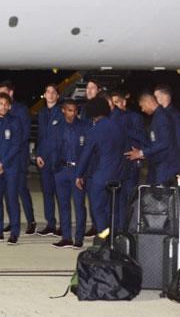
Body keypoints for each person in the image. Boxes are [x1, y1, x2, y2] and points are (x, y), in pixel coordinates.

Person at [74, 97, 125, 234]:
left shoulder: (95, 130)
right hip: (118, 173)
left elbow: (86, 154)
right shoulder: (118, 126)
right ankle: (115, 236)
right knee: (112, 209)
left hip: (102, 175)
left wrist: (78, 174)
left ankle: (104, 238)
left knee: (97, 208)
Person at [0, 81, 37, 235]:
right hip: (5, 158)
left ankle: (31, 220)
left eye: (4, 93)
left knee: (20, 190)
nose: (2, 98)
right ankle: (13, 221)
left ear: (11, 93)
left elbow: (23, 135)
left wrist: (9, 154)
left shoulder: (20, 110)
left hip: (18, 158)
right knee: (8, 192)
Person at [50, 100, 88, 249]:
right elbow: (52, 147)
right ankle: (66, 237)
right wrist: (55, 167)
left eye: (75, 110)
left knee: (79, 205)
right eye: (70, 110)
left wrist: (83, 171)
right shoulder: (57, 127)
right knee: (63, 205)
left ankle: (79, 238)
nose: (73, 113)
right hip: (61, 170)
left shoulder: (83, 126)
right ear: (63, 111)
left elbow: (87, 150)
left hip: (77, 171)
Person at [0, 93, 22, 245]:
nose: (2, 106)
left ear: (9, 106)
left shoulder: (15, 122)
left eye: (5, 104)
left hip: (11, 167)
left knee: (12, 200)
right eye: (0, 103)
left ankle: (14, 233)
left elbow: (16, 145)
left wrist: (3, 163)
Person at [126, 92, 180, 185]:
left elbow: (164, 143)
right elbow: (155, 141)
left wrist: (141, 153)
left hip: (166, 166)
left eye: (142, 106)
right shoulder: (158, 116)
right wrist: (144, 152)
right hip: (161, 164)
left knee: (162, 196)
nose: (142, 110)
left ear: (148, 102)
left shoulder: (162, 117)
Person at [111, 90, 144, 227]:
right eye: (112, 104)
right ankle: (117, 228)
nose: (115, 106)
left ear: (124, 102)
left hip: (130, 163)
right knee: (115, 200)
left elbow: (142, 136)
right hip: (115, 164)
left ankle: (129, 229)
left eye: (117, 102)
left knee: (129, 198)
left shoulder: (134, 117)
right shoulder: (110, 118)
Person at [35, 83, 63, 237]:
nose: (50, 94)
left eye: (53, 92)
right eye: (48, 92)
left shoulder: (61, 112)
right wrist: (38, 154)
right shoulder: (42, 113)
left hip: (57, 160)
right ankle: (50, 224)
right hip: (44, 160)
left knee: (61, 195)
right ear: (44, 95)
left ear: (57, 96)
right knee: (47, 193)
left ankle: (63, 225)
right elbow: (40, 136)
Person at [79, 79, 101, 238]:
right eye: (87, 88)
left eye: (92, 88)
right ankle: (95, 225)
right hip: (86, 156)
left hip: (97, 158)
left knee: (97, 197)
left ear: (98, 90)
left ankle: (100, 227)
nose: (89, 91)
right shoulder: (85, 108)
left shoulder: (101, 108)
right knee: (89, 196)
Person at [154, 84, 180, 170]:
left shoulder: (173, 114)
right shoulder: (162, 113)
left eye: (156, 96)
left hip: (169, 161)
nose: (155, 99)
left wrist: (171, 157)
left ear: (164, 96)